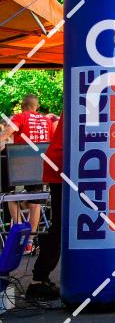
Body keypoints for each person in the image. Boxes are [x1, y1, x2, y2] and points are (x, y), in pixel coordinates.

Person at [1, 94, 53, 254]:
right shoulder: (46, 120)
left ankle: (18, 231)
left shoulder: (20, 117)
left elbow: (7, 132)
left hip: (19, 166)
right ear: (37, 106)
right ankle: (30, 241)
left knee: (9, 195)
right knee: (35, 200)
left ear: (23, 106)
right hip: (39, 166)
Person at [25, 114, 64, 300]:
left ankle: (40, 278)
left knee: (60, 225)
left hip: (62, 163)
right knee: (61, 225)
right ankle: (39, 279)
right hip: (64, 164)